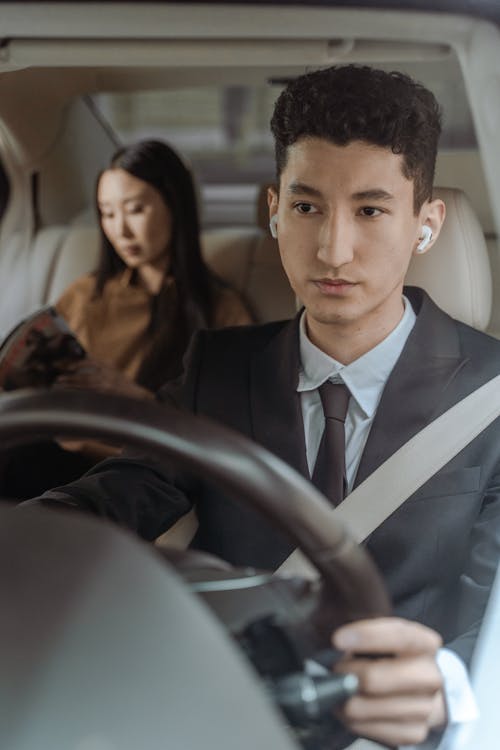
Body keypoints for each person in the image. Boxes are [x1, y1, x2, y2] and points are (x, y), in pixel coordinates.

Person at [30, 66, 500, 748]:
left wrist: (449, 688)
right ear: (274, 209)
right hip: (226, 719)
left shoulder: (490, 395)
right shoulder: (217, 369)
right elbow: (115, 496)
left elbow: (493, 606)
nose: (333, 250)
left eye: (370, 210)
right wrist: (29, 536)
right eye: (308, 208)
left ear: (425, 226)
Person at [1, 139, 252, 496]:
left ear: (174, 205)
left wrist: (130, 393)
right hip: (52, 439)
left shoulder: (222, 310)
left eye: (135, 210)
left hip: (129, 463)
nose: (121, 230)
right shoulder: (88, 293)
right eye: (107, 213)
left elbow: (223, 431)